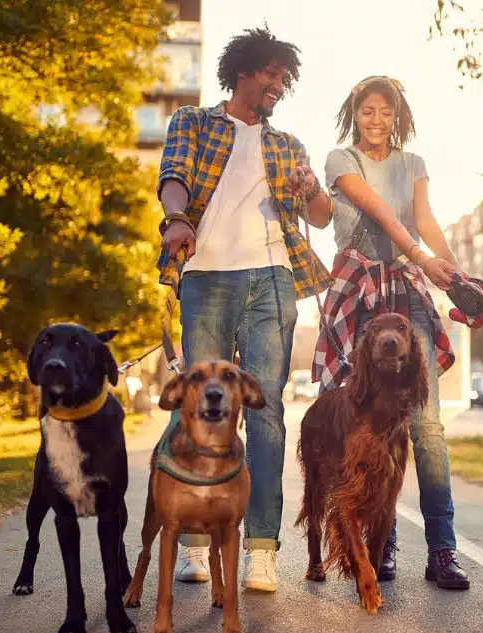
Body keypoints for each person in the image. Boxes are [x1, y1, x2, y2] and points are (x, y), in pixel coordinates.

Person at [155, 27, 332, 593]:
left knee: (266, 410)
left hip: (274, 279)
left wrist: (311, 190)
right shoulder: (193, 122)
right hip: (207, 276)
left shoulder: (289, 145)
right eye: (270, 74)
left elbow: (323, 216)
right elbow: (174, 179)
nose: (277, 85)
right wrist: (176, 219)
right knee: (201, 407)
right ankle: (197, 543)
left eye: (284, 77)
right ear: (243, 72)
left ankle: (261, 548)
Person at [312, 75, 470, 590]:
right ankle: (382, 541)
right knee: (361, 421)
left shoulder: (413, 164)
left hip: (405, 292)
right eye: (367, 111)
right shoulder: (341, 161)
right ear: (354, 114)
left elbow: (423, 220)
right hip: (356, 292)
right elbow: (379, 213)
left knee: (424, 427)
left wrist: (460, 281)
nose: (376, 120)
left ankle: (443, 550)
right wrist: (424, 257)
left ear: (398, 115)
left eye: (386, 111)